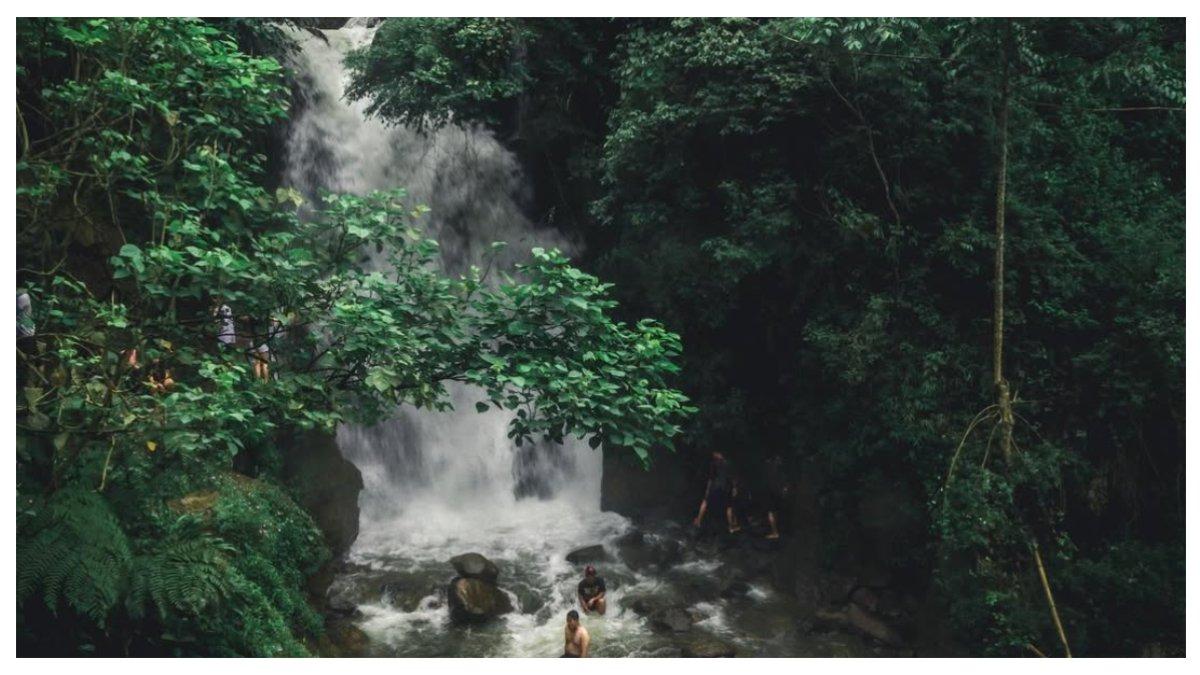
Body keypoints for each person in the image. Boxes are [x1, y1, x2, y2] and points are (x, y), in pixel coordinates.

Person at [693, 450, 740, 533]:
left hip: (715, 486)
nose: (713, 455)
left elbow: (711, 478)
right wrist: (734, 488)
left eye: (715, 453)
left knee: (705, 502)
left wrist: (707, 489)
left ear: (719, 453)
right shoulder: (728, 463)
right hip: (725, 487)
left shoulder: (714, 463)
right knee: (729, 506)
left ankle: (699, 521)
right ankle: (731, 527)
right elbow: (733, 478)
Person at [763, 454, 791, 540]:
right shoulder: (780, 470)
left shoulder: (769, 469)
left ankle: (775, 532)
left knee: (772, 512)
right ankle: (778, 530)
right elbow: (785, 482)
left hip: (772, 492)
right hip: (778, 492)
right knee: (776, 511)